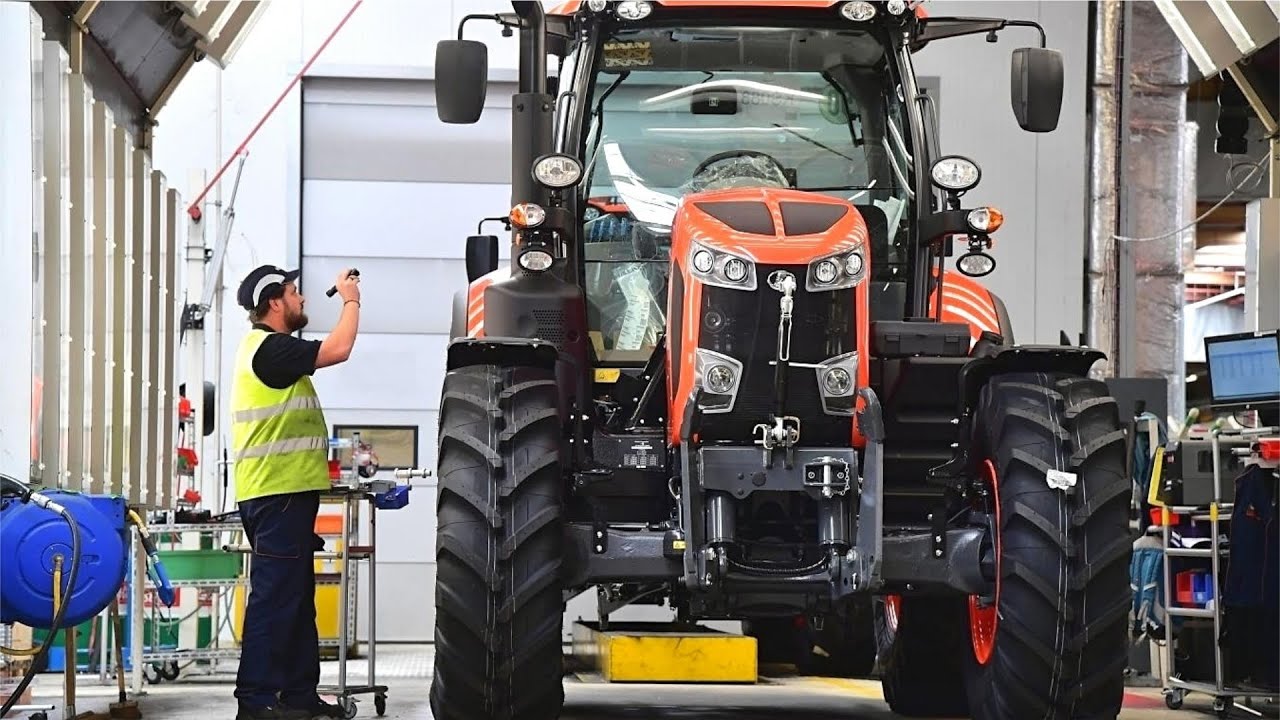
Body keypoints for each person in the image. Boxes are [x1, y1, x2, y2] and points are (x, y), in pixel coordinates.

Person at [231, 264, 361, 720]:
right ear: (275, 303)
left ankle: (298, 695)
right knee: (274, 598)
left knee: (295, 596)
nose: (302, 298)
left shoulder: (269, 351)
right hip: (277, 493)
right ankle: (256, 701)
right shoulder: (271, 350)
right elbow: (338, 348)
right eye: (294, 292)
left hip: (285, 492)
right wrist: (351, 298)